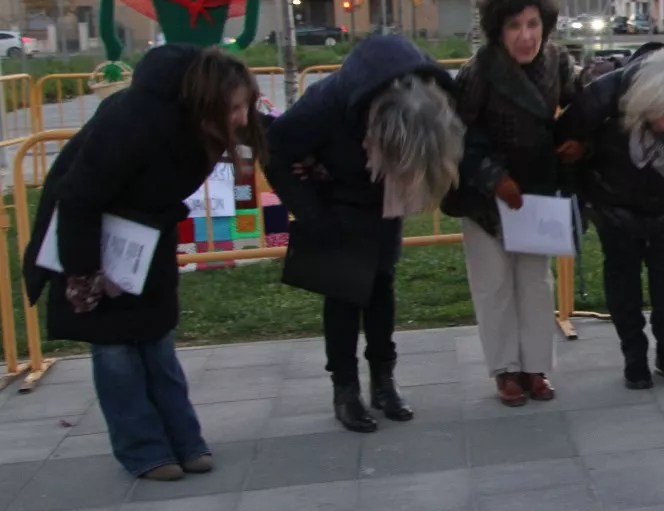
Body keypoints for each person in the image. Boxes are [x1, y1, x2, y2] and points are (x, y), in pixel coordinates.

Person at [25, 47, 266, 480]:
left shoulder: (207, 120)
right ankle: (143, 450)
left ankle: (184, 441)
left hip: (144, 238)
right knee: (116, 350)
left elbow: (277, 136)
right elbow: (78, 197)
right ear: (206, 101)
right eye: (234, 108)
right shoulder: (132, 120)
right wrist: (87, 274)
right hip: (88, 235)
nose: (242, 117)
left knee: (156, 340)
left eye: (245, 105)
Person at [265, 35, 464, 432]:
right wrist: (313, 215)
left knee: (381, 292)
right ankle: (345, 390)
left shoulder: (430, 98)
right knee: (342, 301)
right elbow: (274, 149)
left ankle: (383, 382)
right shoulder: (325, 105)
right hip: (335, 209)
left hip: (383, 207)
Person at [445, 0, 577, 406]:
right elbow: (457, 134)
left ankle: (535, 368)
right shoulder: (478, 71)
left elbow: (580, 107)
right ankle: (505, 371)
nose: (526, 35)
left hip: (535, 193)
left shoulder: (557, 61)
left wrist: (581, 142)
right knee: (493, 285)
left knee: (535, 283)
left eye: (534, 24)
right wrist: (492, 177)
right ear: (497, 31)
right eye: (515, 26)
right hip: (487, 198)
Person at [556, 44, 664, 389]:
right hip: (613, 206)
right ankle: (633, 353)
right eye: (658, 113)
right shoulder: (605, 95)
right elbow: (564, 136)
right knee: (622, 278)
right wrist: (584, 153)